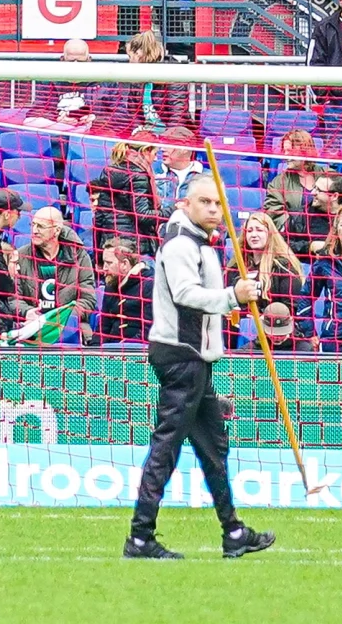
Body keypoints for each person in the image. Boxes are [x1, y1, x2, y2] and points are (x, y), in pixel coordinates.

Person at [130, 168, 275, 562]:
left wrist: (238, 297)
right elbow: (185, 294)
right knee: (167, 447)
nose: (214, 209)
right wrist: (232, 295)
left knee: (213, 446)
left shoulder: (202, 242)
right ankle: (140, 537)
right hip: (181, 357)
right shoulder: (180, 245)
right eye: (205, 202)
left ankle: (234, 532)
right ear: (185, 204)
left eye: (218, 203)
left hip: (197, 359)